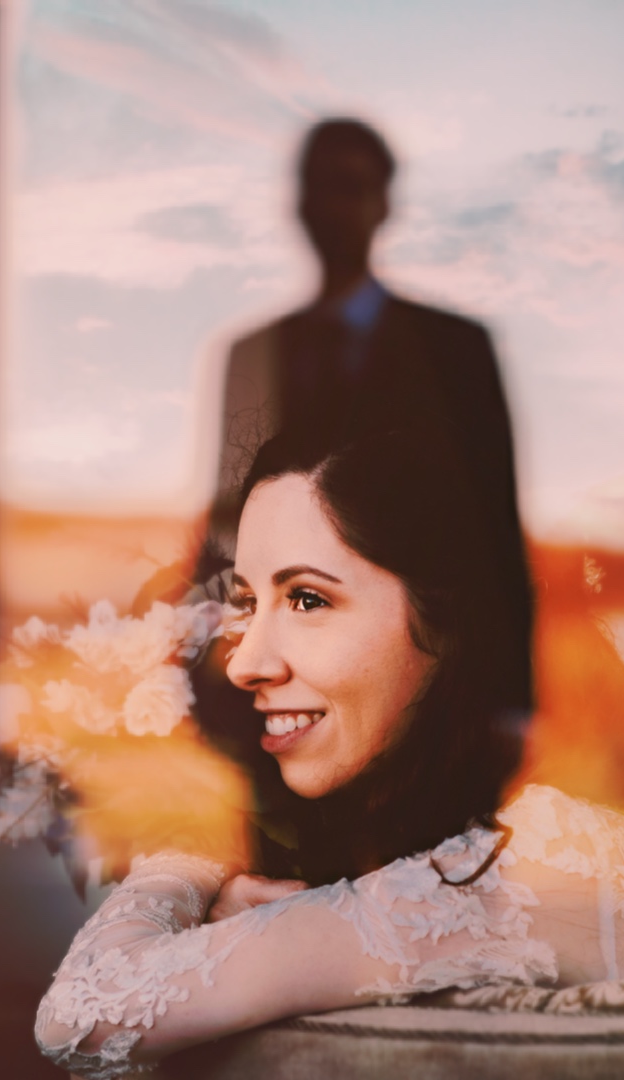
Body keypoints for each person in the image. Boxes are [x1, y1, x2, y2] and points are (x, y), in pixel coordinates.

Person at [35, 431, 624, 1077]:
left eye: (309, 600)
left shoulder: (519, 873)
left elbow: (81, 1017)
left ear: (448, 621)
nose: (245, 662)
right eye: (250, 602)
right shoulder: (553, 838)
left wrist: (188, 856)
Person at [214, 117, 533, 722]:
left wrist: (512, 702)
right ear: (299, 205)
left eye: (352, 187)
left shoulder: (455, 349)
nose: (336, 207)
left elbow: (493, 522)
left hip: (423, 685)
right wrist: (207, 679)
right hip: (278, 687)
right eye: (321, 187)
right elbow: (223, 524)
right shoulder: (252, 352)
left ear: (383, 204)